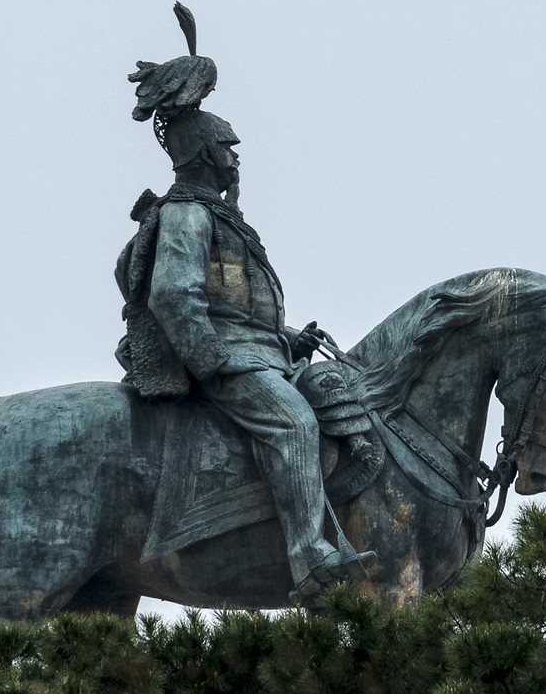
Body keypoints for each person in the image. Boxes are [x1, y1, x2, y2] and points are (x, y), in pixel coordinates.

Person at [115, 98, 372, 602]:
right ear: (208, 156)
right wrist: (211, 358)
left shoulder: (220, 216)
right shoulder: (188, 213)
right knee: (294, 422)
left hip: (261, 354)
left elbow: (235, 302)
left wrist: (286, 338)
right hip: (224, 360)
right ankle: (309, 555)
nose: (236, 159)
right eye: (229, 149)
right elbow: (173, 293)